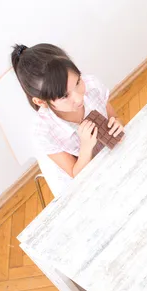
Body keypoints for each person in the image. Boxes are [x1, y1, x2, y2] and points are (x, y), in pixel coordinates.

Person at [11, 43, 124, 190]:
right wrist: (85, 147)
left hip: (114, 159)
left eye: (77, 82)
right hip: (85, 182)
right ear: (41, 102)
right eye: (65, 96)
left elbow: (115, 119)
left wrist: (117, 123)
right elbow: (75, 174)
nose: (78, 98)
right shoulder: (44, 132)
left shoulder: (92, 86)